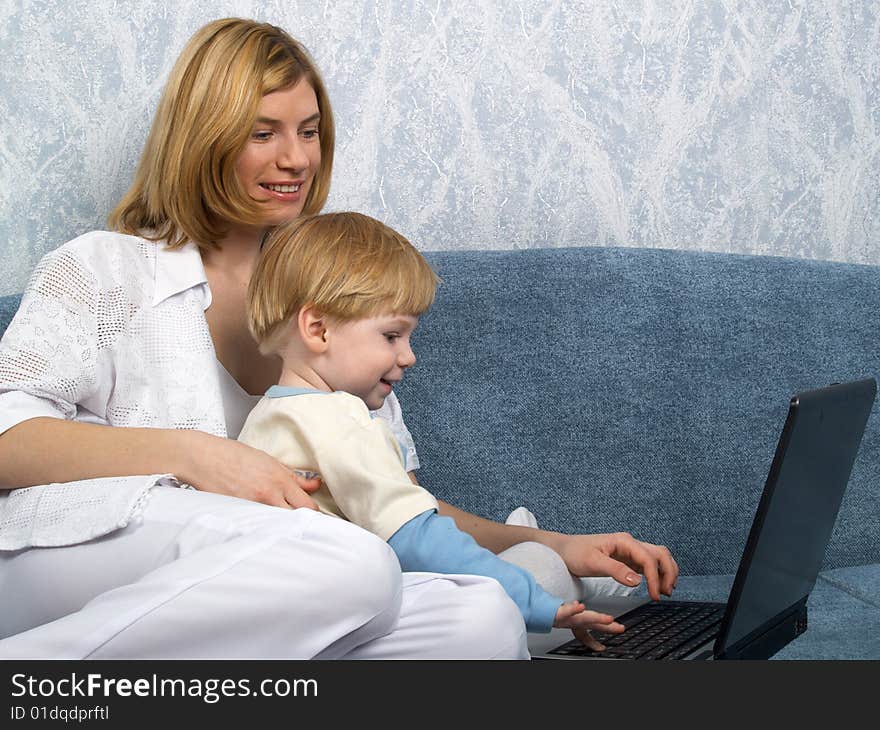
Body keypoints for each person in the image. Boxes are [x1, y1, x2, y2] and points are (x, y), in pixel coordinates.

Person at [0, 17, 676, 659]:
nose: (295, 158)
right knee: (353, 562)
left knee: (479, 618)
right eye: (263, 133)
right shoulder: (104, 269)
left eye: (310, 131)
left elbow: (390, 502)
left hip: (288, 583)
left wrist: (549, 544)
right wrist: (196, 456)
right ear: (203, 138)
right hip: (79, 555)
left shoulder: (331, 294)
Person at [238, 210, 629, 639]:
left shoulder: (265, 418)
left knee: (537, 569)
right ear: (318, 329)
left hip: (292, 618)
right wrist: (536, 604)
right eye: (391, 336)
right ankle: (580, 585)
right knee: (540, 570)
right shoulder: (342, 418)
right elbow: (414, 537)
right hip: (357, 611)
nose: (409, 356)